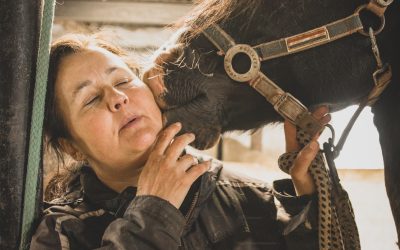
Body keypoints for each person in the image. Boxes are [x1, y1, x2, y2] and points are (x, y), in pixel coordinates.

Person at [30, 34, 331, 250]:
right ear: (72, 147)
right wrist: (154, 213)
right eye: (92, 99)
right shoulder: (62, 232)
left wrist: (311, 201)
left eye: (122, 81)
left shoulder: (252, 197)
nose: (118, 98)